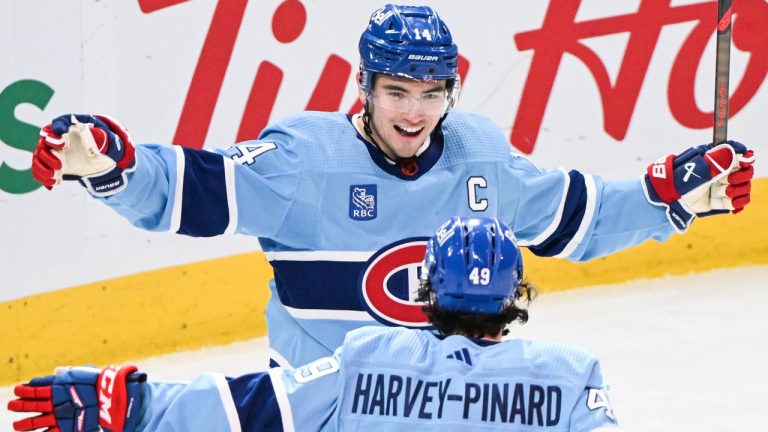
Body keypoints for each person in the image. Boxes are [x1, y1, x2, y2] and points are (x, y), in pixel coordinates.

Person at [30, 4, 754, 368]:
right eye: (397, 91)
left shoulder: (482, 160)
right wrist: (109, 166)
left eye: (431, 92)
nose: (414, 112)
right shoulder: (303, 162)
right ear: (365, 86)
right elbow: (187, 189)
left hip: (445, 409)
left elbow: (580, 219)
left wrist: (671, 199)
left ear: (452, 90)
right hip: (322, 409)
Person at [8, 216, 624, 432]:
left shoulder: (368, 358)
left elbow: (248, 411)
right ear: (516, 296)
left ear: (426, 290)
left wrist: (136, 407)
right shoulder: (570, 376)